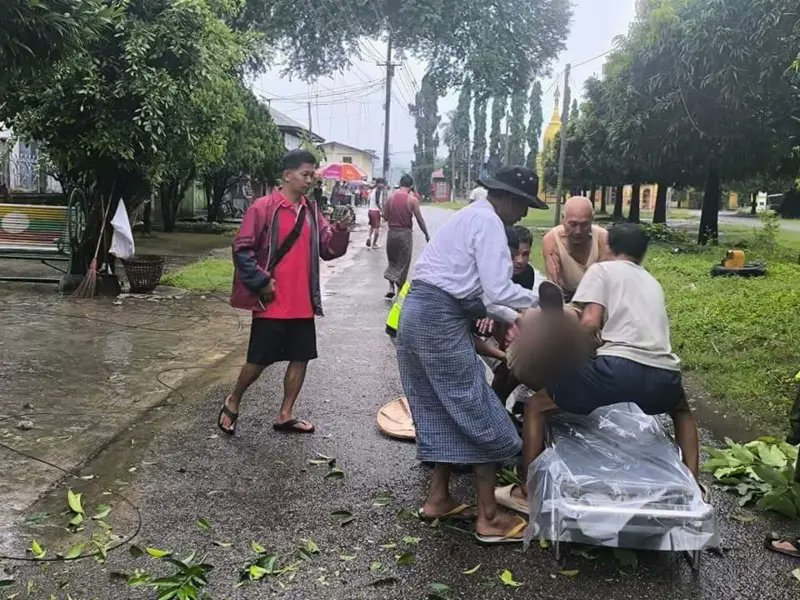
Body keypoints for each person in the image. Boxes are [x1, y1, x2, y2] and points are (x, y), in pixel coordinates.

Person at [499, 224, 700, 513]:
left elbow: (591, 321)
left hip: (617, 366)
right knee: (682, 412)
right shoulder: (652, 282)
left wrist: (575, 354)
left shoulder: (602, 270)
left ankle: (527, 491)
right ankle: (691, 488)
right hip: (664, 371)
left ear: (608, 247)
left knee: (535, 407)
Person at [396, 166, 547, 545]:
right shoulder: (491, 224)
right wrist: (545, 303)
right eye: (525, 205)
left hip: (415, 314)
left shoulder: (469, 215)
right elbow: (497, 290)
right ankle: (488, 516)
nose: (525, 215)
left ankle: (438, 498)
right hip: (438, 320)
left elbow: (478, 294)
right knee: (478, 409)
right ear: (510, 198)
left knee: (443, 407)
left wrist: (516, 317)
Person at [218, 149, 352, 436]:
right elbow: (242, 249)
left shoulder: (311, 211)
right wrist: (261, 281)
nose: (310, 180)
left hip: (303, 302)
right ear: (286, 175)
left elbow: (328, 249)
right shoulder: (263, 208)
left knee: (300, 357)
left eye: (312, 175)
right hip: (271, 302)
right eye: (305, 174)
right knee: (258, 361)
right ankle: (233, 400)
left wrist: (340, 229)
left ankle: (285, 414)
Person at [542, 196, 609, 301]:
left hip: (598, 297)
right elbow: (554, 283)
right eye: (572, 224)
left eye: (585, 224)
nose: (578, 231)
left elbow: (605, 281)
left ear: (592, 219)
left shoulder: (602, 238)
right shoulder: (552, 240)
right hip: (567, 297)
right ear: (563, 218)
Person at [382, 174, 430, 299]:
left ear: (400, 183)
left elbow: (385, 217)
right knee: (403, 263)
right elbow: (419, 219)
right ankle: (399, 291)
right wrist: (426, 234)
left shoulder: (390, 198)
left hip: (392, 234)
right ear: (411, 186)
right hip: (405, 234)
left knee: (392, 261)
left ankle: (390, 286)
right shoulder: (412, 200)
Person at [367, 178, 386, 249]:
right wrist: (382, 211)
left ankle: (369, 238)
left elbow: (369, 201)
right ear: (378, 183)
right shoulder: (378, 191)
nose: (383, 185)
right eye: (382, 183)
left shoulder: (373, 190)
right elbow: (377, 202)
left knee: (372, 226)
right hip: (375, 211)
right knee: (377, 229)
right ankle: (374, 244)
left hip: (370, 210)